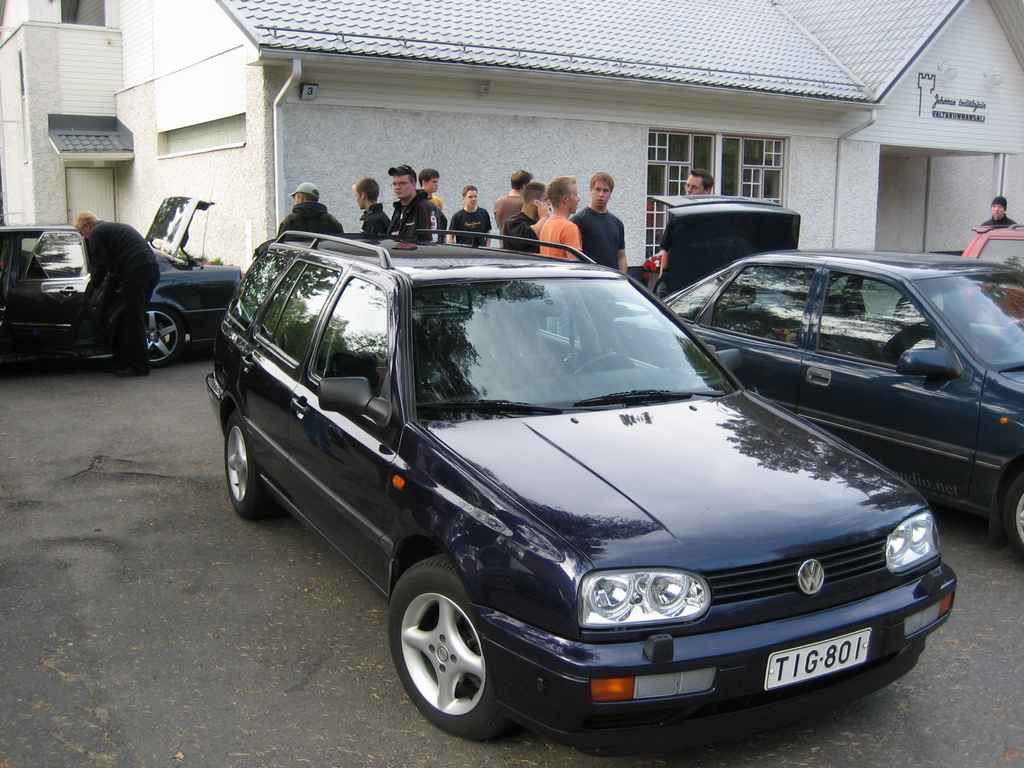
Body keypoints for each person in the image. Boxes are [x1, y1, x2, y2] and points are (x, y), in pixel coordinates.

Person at [74, 212, 161, 377]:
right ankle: (124, 362)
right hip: (148, 270)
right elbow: (112, 267)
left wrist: (90, 292)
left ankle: (140, 367)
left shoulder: (97, 233)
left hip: (137, 272)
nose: (83, 237)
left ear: (87, 226)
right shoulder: (109, 229)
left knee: (132, 320)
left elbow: (100, 267)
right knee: (126, 318)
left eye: (81, 232)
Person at [570, 172, 626, 272]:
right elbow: (573, 257)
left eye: (605, 191)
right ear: (591, 190)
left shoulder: (617, 223)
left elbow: (621, 256)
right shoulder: (578, 221)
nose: (601, 194)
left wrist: (623, 277)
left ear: (610, 193)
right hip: (590, 278)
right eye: (597, 189)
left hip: (612, 278)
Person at [388, 164, 438, 242]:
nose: (397, 187)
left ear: (414, 184)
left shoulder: (426, 208)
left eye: (402, 183)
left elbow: (432, 244)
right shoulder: (398, 208)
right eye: (395, 184)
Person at [538, 176, 582, 260]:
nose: (578, 199)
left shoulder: (547, 224)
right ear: (565, 199)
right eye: (576, 195)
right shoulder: (569, 228)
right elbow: (575, 265)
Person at [277, 182, 344, 237]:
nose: (294, 201)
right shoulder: (331, 221)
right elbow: (341, 244)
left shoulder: (290, 221)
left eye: (295, 198)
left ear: (301, 198)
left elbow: (279, 245)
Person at [502, 181, 548, 253]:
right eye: (546, 199)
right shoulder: (513, 223)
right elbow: (527, 238)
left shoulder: (542, 222)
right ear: (536, 202)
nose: (549, 203)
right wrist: (544, 218)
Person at [418, 168, 447, 240]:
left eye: (437, 182)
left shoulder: (438, 201)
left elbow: (440, 222)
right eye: (434, 182)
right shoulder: (416, 201)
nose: (437, 185)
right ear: (424, 182)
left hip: (436, 238)